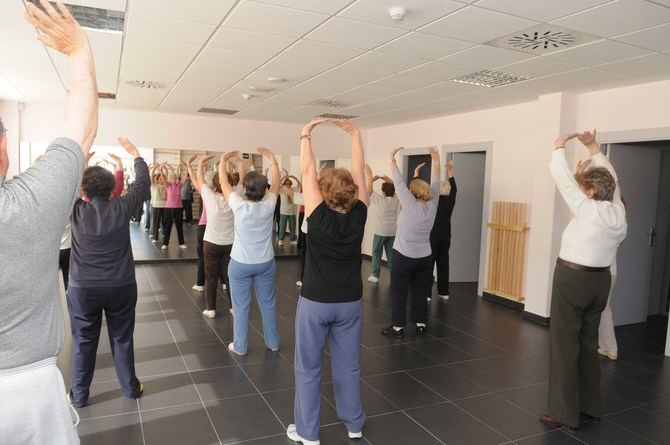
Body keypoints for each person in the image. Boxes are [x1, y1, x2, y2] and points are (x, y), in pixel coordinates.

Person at [1, 2, 97, 442]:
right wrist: (78, 50)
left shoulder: (41, 202)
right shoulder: (30, 205)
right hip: (26, 396)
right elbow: (81, 127)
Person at [287, 117, 368, 445]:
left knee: (308, 368)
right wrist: (354, 135)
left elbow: (307, 171)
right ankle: (354, 424)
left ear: (321, 193)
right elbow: (360, 172)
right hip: (350, 302)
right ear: (352, 192)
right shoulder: (361, 214)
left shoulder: (316, 215)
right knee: (349, 366)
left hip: (317, 302)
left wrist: (306, 133)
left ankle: (307, 433)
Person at [540, 130, 627, 430]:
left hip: (572, 281)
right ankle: (590, 406)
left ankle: (563, 412)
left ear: (590, 191)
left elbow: (563, 178)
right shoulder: (618, 212)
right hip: (600, 283)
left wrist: (558, 147)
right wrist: (594, 149)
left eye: (586, 186)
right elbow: (612, 182)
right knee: (588, 344)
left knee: (564, 344)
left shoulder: (587, 208)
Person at [66, 137, 149, 409]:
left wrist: (83, 161)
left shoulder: (75, 209)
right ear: (112, 187)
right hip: (121, 286)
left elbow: (67, 186)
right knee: (122, 337)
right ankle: (130, 388)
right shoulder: (122, 207)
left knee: (83, 341)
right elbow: (143, 185)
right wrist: (135, 154)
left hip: (83, 289)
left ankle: (79, 396)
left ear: (84, 189)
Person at [217, 148, 281, 356]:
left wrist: (223, 161)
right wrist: (272, 159)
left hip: (240, 265)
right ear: (265, 190)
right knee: (268, 303)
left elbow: (225, 183)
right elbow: (277, 182)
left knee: (241, 306)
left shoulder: (238, 205)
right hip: (265, 263)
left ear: (244, 189)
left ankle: (241, 346)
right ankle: (273, 342)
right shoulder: (270, 204)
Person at [381, 147, 441, 337]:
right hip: (424, 258)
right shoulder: (433, 204)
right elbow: (437, 182)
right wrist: (436, 159)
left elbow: (398, 182)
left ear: (411, 192)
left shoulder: (409, 204)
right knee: (420, 292)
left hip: (403, 257)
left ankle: (398, 327)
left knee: (399, 292)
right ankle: (421, 324)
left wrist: (391, 158)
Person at [188, 155, 235, 318]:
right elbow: (240, 180)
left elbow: (199, 181)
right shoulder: (235, 197)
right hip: (230, 244)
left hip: (211, 244)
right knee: (229, 277)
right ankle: (233, 307)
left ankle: (211, 309)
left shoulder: (209, 195)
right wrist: (236, 166)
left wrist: (200, 165)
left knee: (211, 277)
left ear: (214, 184)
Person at [365, 165, 399, 284]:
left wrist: (371, 180)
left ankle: (375, 275)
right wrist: (390, 181)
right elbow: (398, 189)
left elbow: (367, 190)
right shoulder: (396, 199)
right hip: (393, 231)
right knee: (391, 255)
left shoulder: (380, 199)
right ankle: (394, 276)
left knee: (376, 252)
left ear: (383, 191)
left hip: (380, 231)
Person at [429, 161, 457, 301]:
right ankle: (444, 292)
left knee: (429, 264)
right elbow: (455, 189)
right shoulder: (450, 201)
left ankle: (427, 293)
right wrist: (451, 173)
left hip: (433, 236)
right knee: (443, 263)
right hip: (446, 237)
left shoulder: (433, 201)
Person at [161, 162, 186, 249]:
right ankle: (165, 243)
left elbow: (185, 177)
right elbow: (162, 177)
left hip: (178, 208)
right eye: (173, 178)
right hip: (169, 208)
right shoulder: (167, 185)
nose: (175, 179)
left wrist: (186, 167)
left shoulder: (179, 185)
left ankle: (181, 243)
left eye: (175, 178)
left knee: (179, 226)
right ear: (170, 179)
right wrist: (161, 169)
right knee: (168, 226)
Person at [278, 175, 300, 246]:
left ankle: (292, 239)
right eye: (287, 183)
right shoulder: (281, 190)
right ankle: (280, 239)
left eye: (289, 183)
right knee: (282, 226)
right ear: (284, 184)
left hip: (292, 211)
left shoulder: (294, 189)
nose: (288, 185)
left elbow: (299, 184)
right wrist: (283, 178)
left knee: (292, 226)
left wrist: (294, 177)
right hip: (283, 211)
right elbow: (277, 184)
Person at [149, 165, 167, 243]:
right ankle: (155, 237)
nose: (161, 180)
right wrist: (154, 169)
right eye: (159, 179)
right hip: (156, 206)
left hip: (165, 206)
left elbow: (165, 175)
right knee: (156, 222)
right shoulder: (154, 185)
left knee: (165, 222)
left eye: (162, 179)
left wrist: (163, 168)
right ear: (157, 180)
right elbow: (151, 176)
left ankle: (164, 233)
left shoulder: (166, 185)